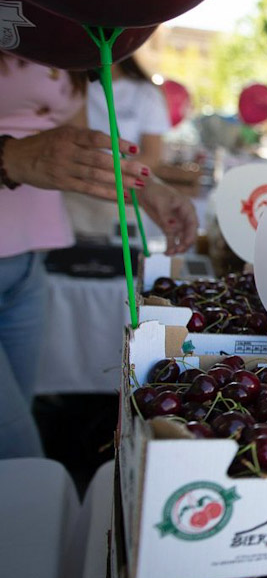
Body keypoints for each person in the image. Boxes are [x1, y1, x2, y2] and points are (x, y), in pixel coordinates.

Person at [0, 56, 197, 458]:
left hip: (30, 262)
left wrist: (146, 188)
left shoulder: (61, 35)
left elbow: (85, 150)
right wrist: (13, 157)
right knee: (20, 453)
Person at [65, 56, 173, 238]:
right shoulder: (72, 87)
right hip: (76, 199)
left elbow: (153, 155)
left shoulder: (146, 92)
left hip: (122, 197)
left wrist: (103, 174)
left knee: (121, 259)